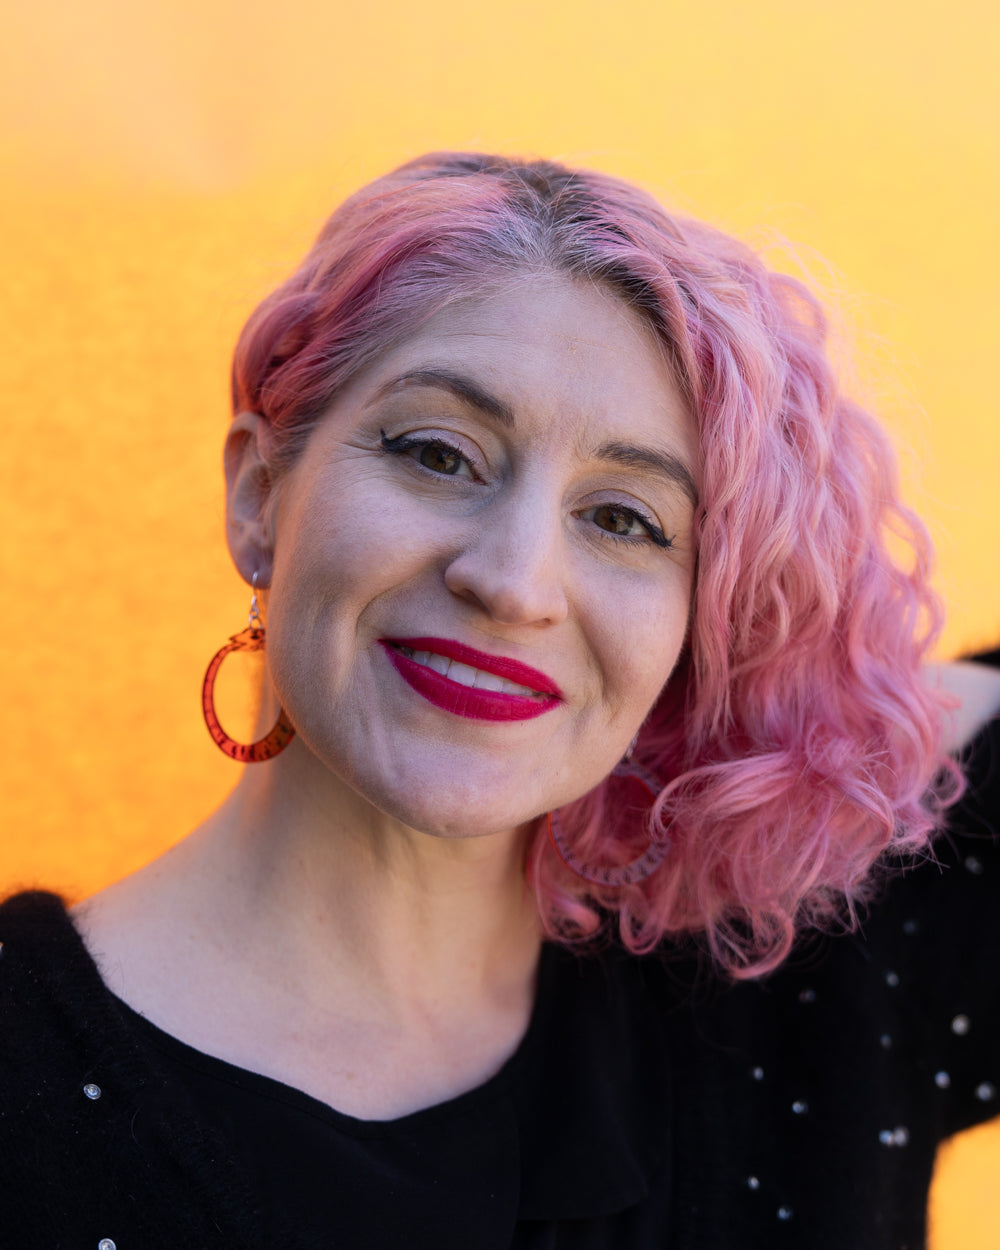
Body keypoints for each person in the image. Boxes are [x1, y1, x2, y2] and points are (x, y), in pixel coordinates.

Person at [1, 151, 999, 1249]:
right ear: (258, 494)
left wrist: (835, 712)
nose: (514, 581)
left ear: (699, 617)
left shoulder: (792, 976)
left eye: (624, 518)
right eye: (438, 453)